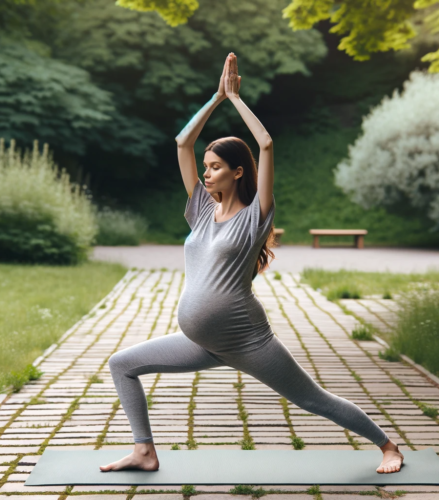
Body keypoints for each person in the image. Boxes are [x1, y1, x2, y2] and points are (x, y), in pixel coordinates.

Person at [100, 53, 404, 475]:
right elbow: (182, 143)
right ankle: (144, 451)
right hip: (202, 341)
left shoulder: (255, 216)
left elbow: (265, 144)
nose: (206, 175)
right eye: (205, 169)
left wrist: (237, 100)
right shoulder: (201, 211)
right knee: (122, 364)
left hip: (247, 341)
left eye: (216, 168)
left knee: (312, 400)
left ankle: (389, 446)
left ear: (238, 173)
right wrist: (216, 97)